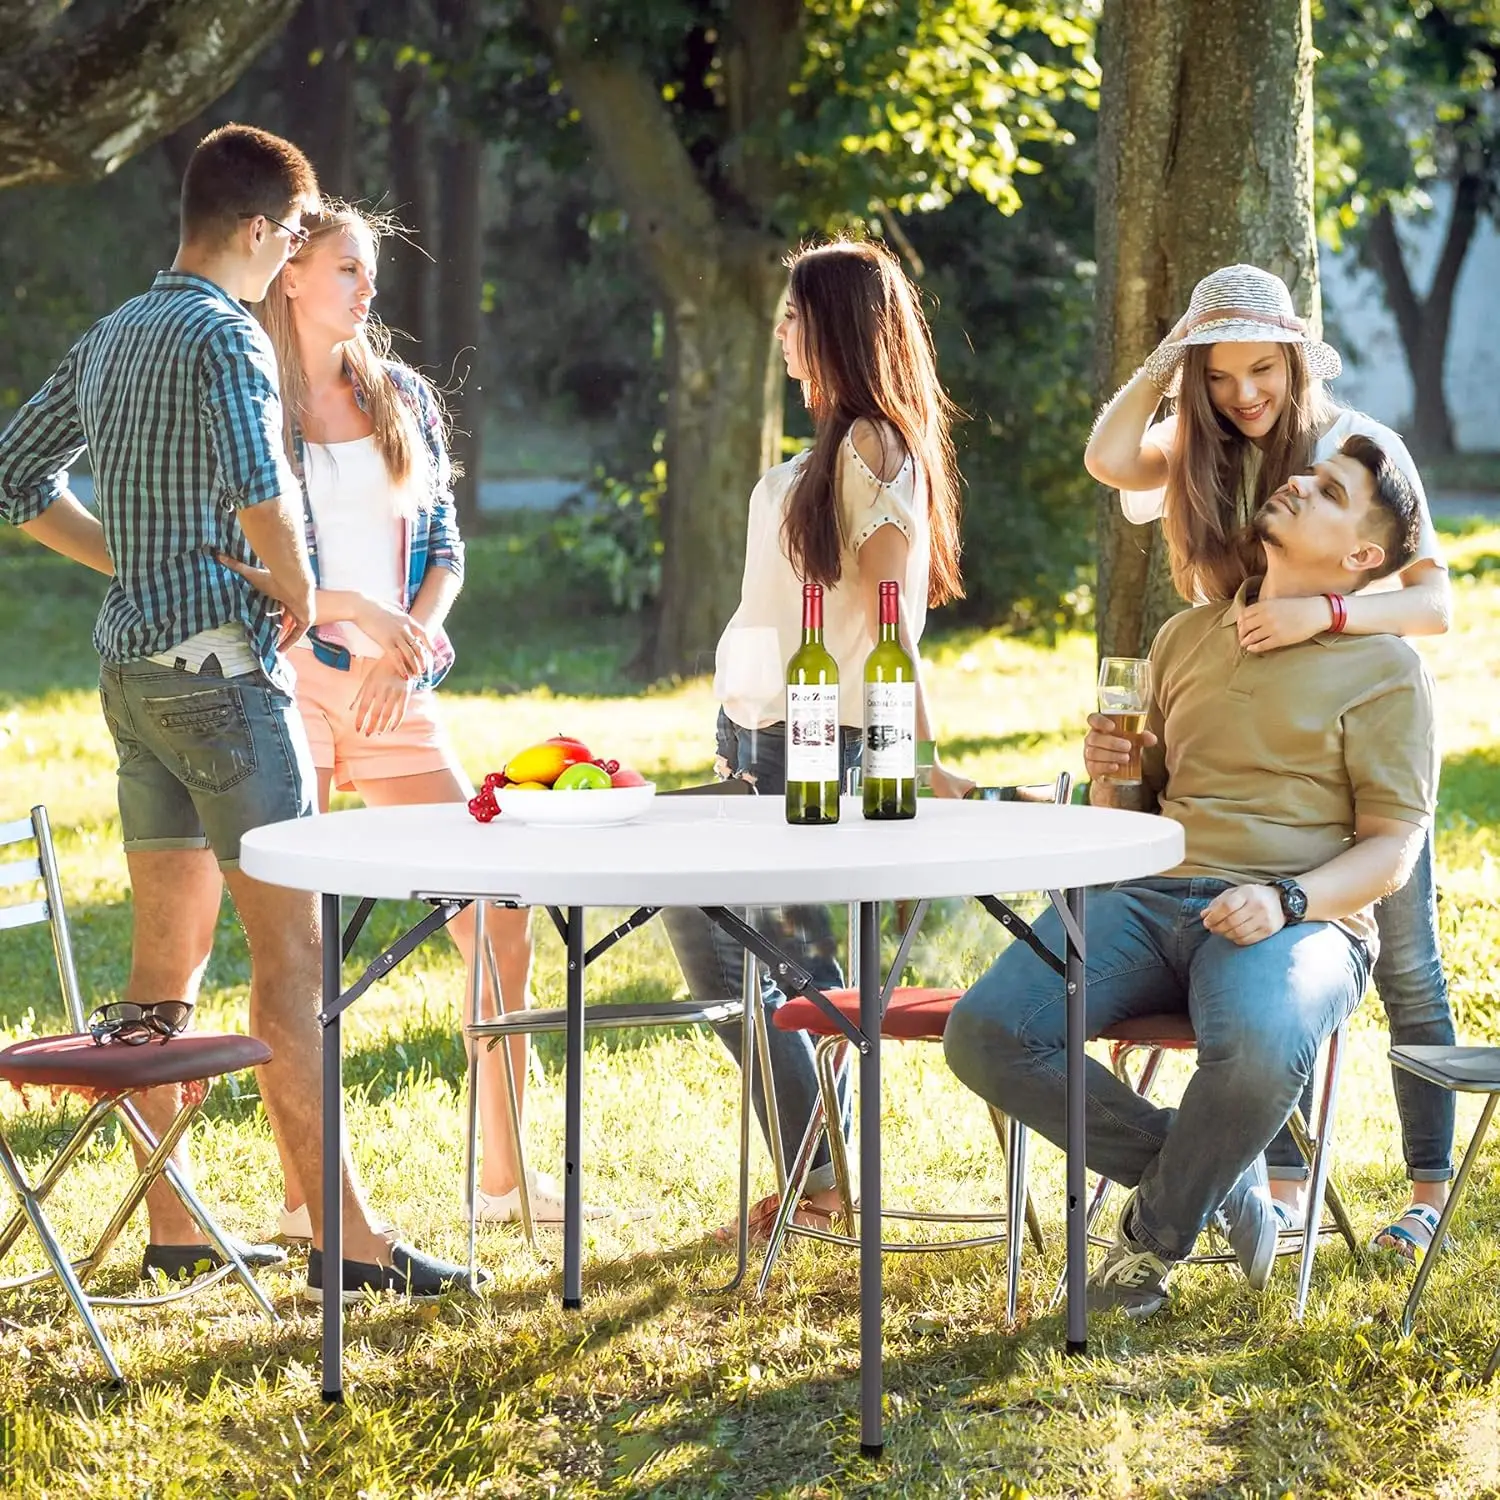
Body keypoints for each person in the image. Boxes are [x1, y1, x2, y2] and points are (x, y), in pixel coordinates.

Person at [0, 125, 472, 1300]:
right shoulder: (229, 340)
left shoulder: (115, 333)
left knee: (166, 970)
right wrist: (309, 599)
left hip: (133, 680)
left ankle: (175, 1228)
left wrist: (132, 564)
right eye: (287, 244)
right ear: (260, 232)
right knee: (296, 957)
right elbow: (265, 500)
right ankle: (349, 1246)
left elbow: (14, 476)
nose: (285, 269)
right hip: (225, 681)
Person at [944, 435, 1438, 1317]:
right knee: (987, 1032)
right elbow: (1131, 819)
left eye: (1327, 490)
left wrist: (1287, 899)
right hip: (1145, 898)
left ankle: (1152, 1239)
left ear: (1363, 557)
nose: (1295, 483)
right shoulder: (1184, 636)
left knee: (1254, 1052)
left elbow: (1392, 852)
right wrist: (1111, 769)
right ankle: (1217, 1177)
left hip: (1296, 921)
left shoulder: (1387, 671)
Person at [1083, 263, 1455, 1264]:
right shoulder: (1196, 454)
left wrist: (1320, 612)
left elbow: (1435, 605)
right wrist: (1174, 351)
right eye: (1220, 378)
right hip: (1241, 742)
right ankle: (1277, 1184)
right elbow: (1108, 454)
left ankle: (1426, 1190)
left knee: (1406, 960)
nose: (1245, 394)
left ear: (1295, 361)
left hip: (1349, 732)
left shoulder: (1352, 453)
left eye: (1263, 370)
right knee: (1247, 958)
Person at [224, 201, 574, 1230]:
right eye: (346, 268)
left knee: (498, 913)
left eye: (369, 271)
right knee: (298, 946)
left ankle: (505, 1180)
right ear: (291, 275)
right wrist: (345, 623)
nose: (366, 288)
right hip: (289, 679)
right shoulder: (253, 397)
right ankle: (305, 1200)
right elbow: (243, 558)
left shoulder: (403, 395)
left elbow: (449, 548)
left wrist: (411, 639)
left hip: (399, 695)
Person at [662, 238, 972, 1238]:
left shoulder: (874, 446)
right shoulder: (830, 448)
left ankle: (823, 1183)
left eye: (796, 317)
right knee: (711, 927)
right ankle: (818, 1172)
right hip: (761, 732)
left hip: (825, 737)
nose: (784, 335)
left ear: (835, 325)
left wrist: (917, 756)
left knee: (785, 968)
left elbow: (889, 623)